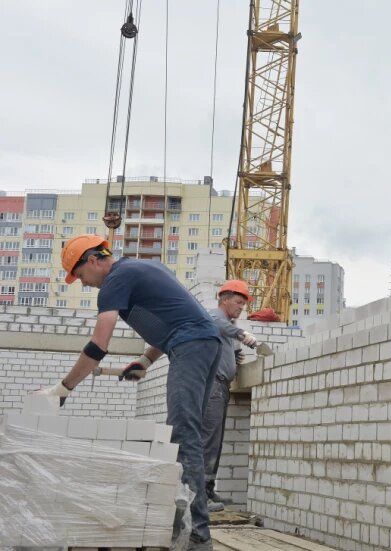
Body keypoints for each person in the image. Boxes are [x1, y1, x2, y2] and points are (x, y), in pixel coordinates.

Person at [36, 234, 222, 551]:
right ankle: (190, 526)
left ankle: (197, 535)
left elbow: (98, 346)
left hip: (191, 346)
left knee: (183, 433)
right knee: (187, 432)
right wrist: (146, 359)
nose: (83, 284)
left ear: (93, 260)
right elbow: (175, 317)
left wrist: (62, 389)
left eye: (80, 276)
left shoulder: (114, 281)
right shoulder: (140, 269)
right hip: (203, 343)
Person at [203, 280, 258, 512]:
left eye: (244, 304)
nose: (241, 308)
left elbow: (232, 350)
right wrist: (243, 334)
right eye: (238, 302)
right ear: (224, 299)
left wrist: (236, 358)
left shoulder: (229, 325)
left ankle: (208, 488)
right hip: (212, 385)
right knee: (208, 439)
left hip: (223, 386)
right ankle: (199, 494)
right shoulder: (215, 317)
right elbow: (218, 326)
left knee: (216, 441)